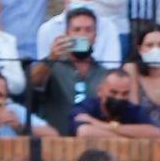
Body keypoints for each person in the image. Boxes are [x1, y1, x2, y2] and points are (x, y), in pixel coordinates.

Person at [30, 7, 109, 136]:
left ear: (95, 37)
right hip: (57, 146)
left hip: (93, 144)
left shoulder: (104, 74)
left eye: (88, 30)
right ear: (67, 35)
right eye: (77, 30)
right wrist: (51, 58)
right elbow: (32, 82)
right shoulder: (53, 67)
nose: (82, 35)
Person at [37, 0, 121, 67]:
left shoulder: (108, 27)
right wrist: (53, 56)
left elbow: (112, 67)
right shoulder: (47, 29)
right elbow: (41, 75)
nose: (84, 1)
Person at [70, 68, 160, 138]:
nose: (119, 97)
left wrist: (102, 125)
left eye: (125, 93)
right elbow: (84, 132)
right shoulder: (86, 106)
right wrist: (130, 139)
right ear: (100, 91)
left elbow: (155, 133)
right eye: (113, 92)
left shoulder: (132, 109)